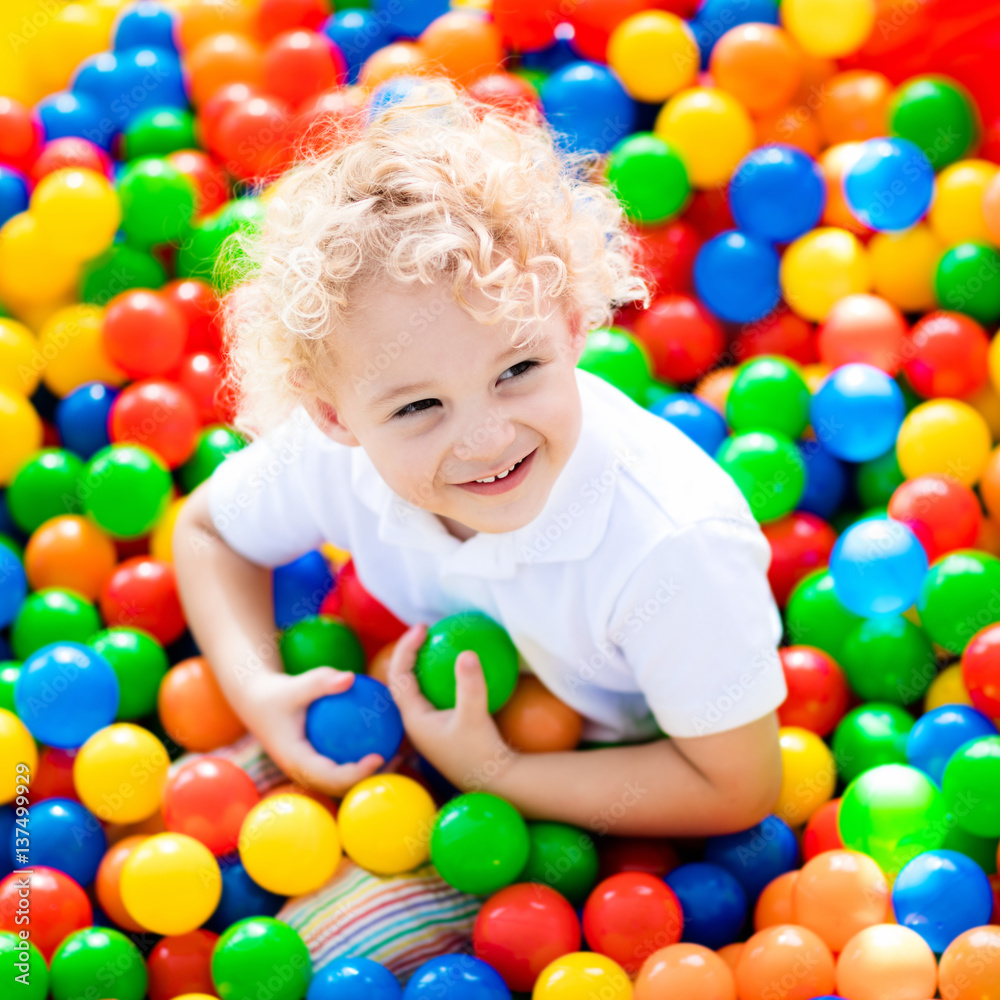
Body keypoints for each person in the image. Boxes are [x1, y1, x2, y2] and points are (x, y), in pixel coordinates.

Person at [173, 78, 787, 975]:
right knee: (197, 809)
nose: (488, 437)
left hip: (601, 808)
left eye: (518, 369)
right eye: (420, 406)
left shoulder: (671, 542)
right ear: (336, 418)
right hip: (416, 728)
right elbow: (208, 534)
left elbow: (741, 785)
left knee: (333, 955)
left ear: (574, 324)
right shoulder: (334, 450)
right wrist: (259, 691)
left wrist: (497, 776)